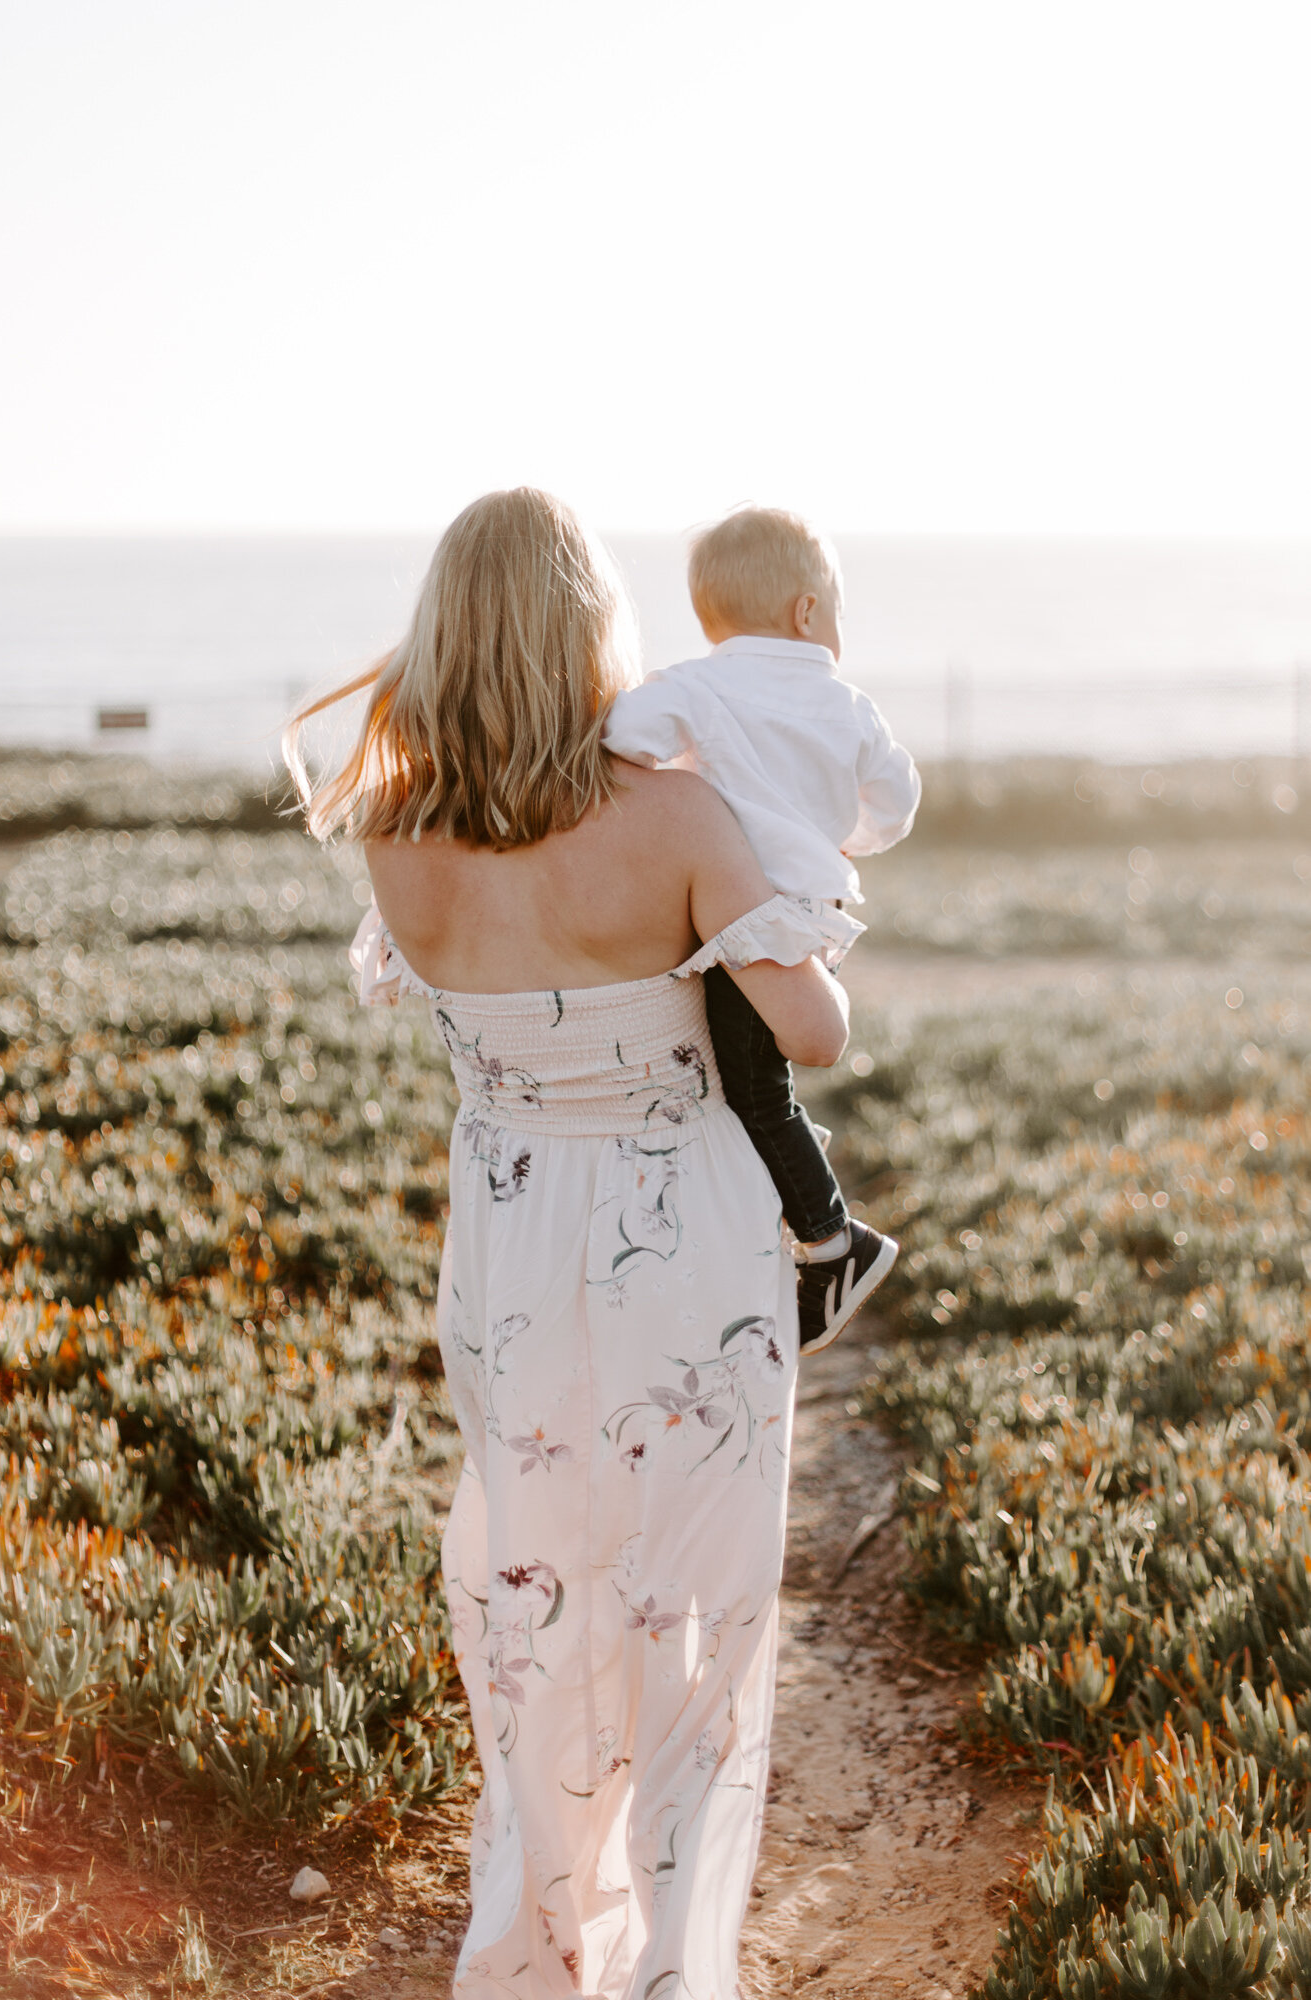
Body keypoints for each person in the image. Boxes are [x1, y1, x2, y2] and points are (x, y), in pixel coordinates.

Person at [285, 488, 854, 2000]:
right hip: (687, 1247)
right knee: (694, 1611)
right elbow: (812, 1030)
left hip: (517, 1243)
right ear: (592, 633)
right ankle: (675, 1967)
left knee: (537, 1592)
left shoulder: (398, 840)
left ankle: (546, 1952)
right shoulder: (672, 815)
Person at [602, 506, 921, 1353]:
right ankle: (779, 1165)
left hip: (738, 914)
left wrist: (678, 775)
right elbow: (897, 799)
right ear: (807, 613)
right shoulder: (848, 705)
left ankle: (832, 1242)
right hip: (805, 913)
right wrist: (845, 837)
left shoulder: (696, 687)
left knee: (751, 1089)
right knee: (745, 1072)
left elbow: (622, 739)